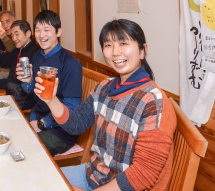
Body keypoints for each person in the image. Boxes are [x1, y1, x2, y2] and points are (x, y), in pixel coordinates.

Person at [34, 19, 176, 191]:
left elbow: (142, 175)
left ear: (142, 51)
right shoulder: (104, 87)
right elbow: (75, 124)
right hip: (92, 175)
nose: (116, 52)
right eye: (108, 45)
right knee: (35, 178)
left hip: (123, 187)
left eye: (123, 43)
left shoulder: (153, 101)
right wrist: (51, 100)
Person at [16, 10, 82, 156]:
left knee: (23, 149)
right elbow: (31, 91)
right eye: (38, 30)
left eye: (47, 30)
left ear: (58, 32)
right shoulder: (38, 56)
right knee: (12, 131)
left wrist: (41, 124)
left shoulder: (70, 63)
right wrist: (27, 82)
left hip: (61, 132)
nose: (41, 35)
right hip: (38, 115)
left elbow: (72, 107)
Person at [0, 20, 39, 110]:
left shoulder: (34, 52)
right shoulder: (19, 49)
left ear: (28, 34)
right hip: (12, 92)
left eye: (17, 34)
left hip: (24, 99)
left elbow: (19, 82)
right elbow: (4, 61)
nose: (14, 38)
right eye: (12, 35)